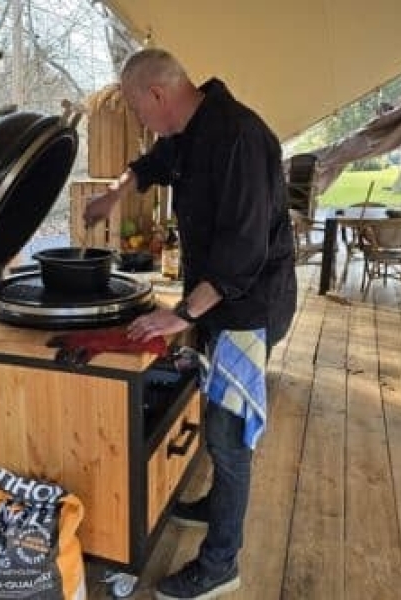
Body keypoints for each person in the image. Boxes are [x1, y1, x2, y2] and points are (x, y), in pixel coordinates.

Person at [84, 48, 296, 600]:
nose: (138, 120)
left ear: (157, 94)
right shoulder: (190, 129)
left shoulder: (240, 140)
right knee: (215, 415)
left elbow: (242, 258)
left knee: (228, 438)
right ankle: (213, 507)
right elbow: (152, 163)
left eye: (136, 108)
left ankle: (221, 564)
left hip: (247, 309)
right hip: (215, 303)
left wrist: (176, 315)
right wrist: (114, 191)